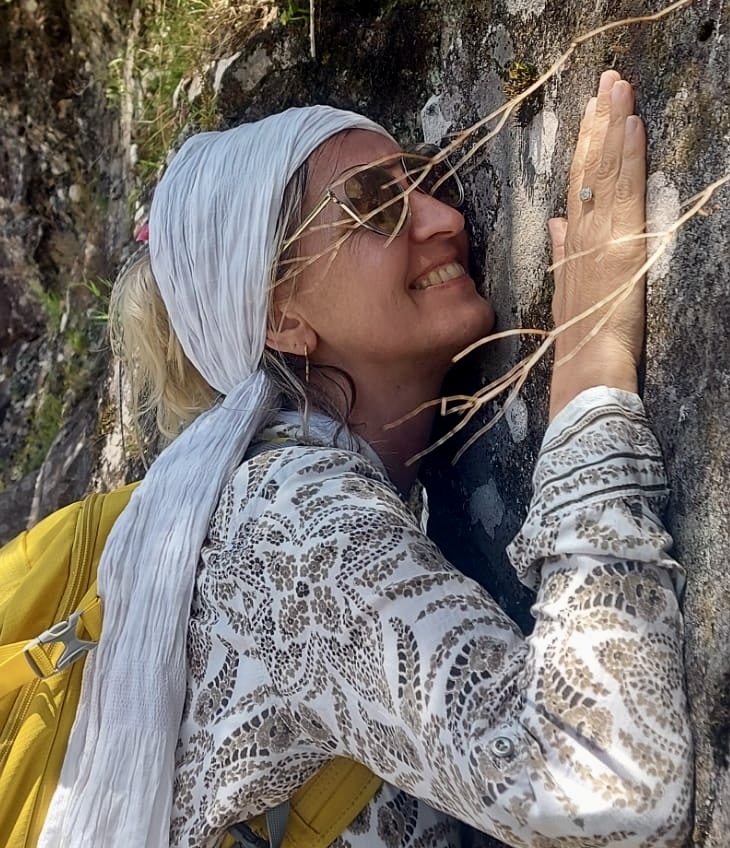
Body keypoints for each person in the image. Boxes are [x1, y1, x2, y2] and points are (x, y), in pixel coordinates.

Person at [40, 69, 693, 847]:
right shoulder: (289, 525)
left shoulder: (283, 504)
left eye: (427, 182)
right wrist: (590, 364)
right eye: (373, 204)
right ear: (279, 314)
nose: (445, 219)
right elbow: (602, 788)